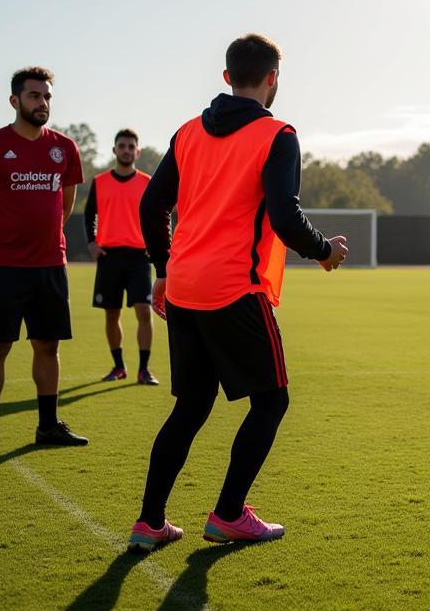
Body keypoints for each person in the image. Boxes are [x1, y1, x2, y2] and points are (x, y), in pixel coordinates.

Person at [127, 33, 349, 553]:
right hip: (234, 289)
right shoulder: (278, 134)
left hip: (183, 288)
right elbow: (284, 215)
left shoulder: (187, 133)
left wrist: (162, 268)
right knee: (272, 403)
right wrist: (324, 252)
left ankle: (150, 523)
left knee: (190, 407)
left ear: (227, 77)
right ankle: (228, 515)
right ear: (273, 78)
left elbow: (150, 206)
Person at [0, 67, 89, 456]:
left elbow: (64, 207)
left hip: (50, 266)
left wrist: (45, 242)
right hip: (3, 268)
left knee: (48, 347)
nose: (42, 103)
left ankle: (48, 427)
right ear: (15, 101)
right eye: (34, 96)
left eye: (47, 96)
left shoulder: (64, 148)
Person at [84, 128, 159, 384]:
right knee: (111, 314)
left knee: (144, 311)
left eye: (130, 147)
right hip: (109, 258)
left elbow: (158, 216)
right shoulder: (100, 181)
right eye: (122, 146)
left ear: (137, 152)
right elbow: (88, 214)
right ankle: (118, 367)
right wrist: (92, 242)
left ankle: (144, 369)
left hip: (139, 258)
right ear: (115, 150)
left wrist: (158, 246)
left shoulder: (147, 182)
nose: (126, 150)